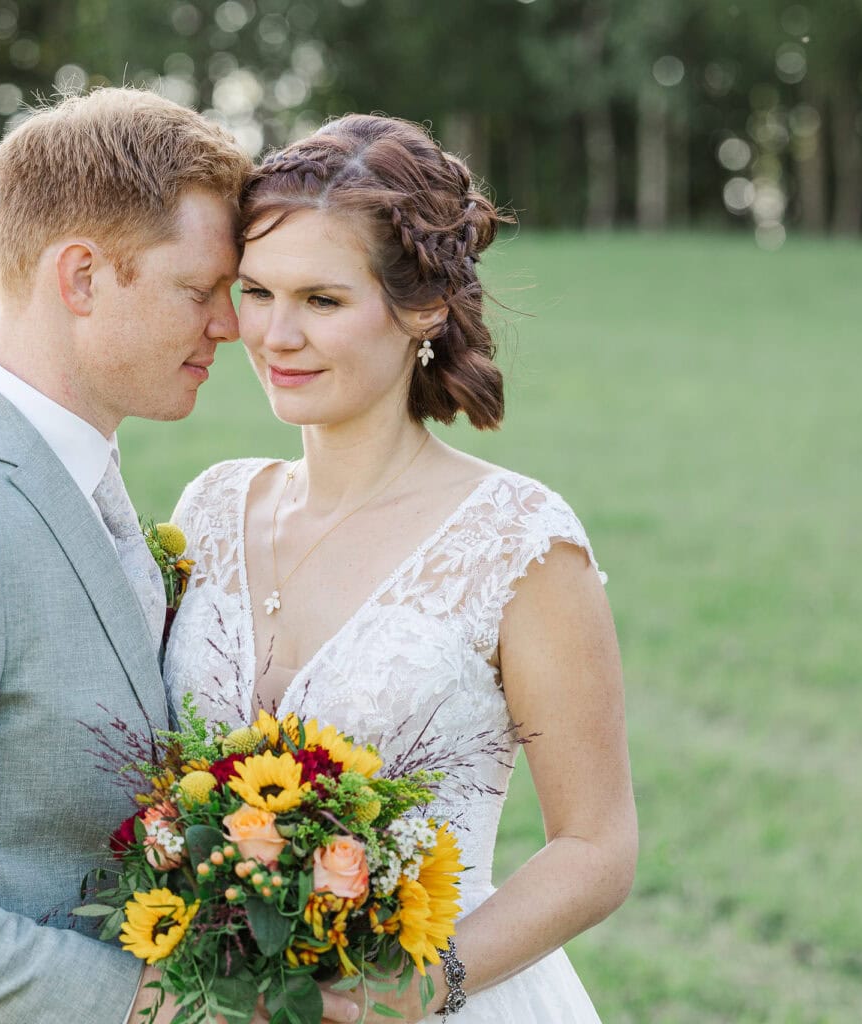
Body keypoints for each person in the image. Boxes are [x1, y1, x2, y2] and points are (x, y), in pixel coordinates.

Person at [0, 88, 362, 1024]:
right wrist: (143, 1000)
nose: (230, 325)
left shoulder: (88, 482)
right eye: (199, 290)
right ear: (81, 277)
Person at [165, 115, 637, 1022]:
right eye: (256, 292)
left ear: (423, 307)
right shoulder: (211, 509)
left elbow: (597, 844)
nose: (275, 335)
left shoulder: (517, 541)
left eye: (323, 301)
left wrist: (421, 985)